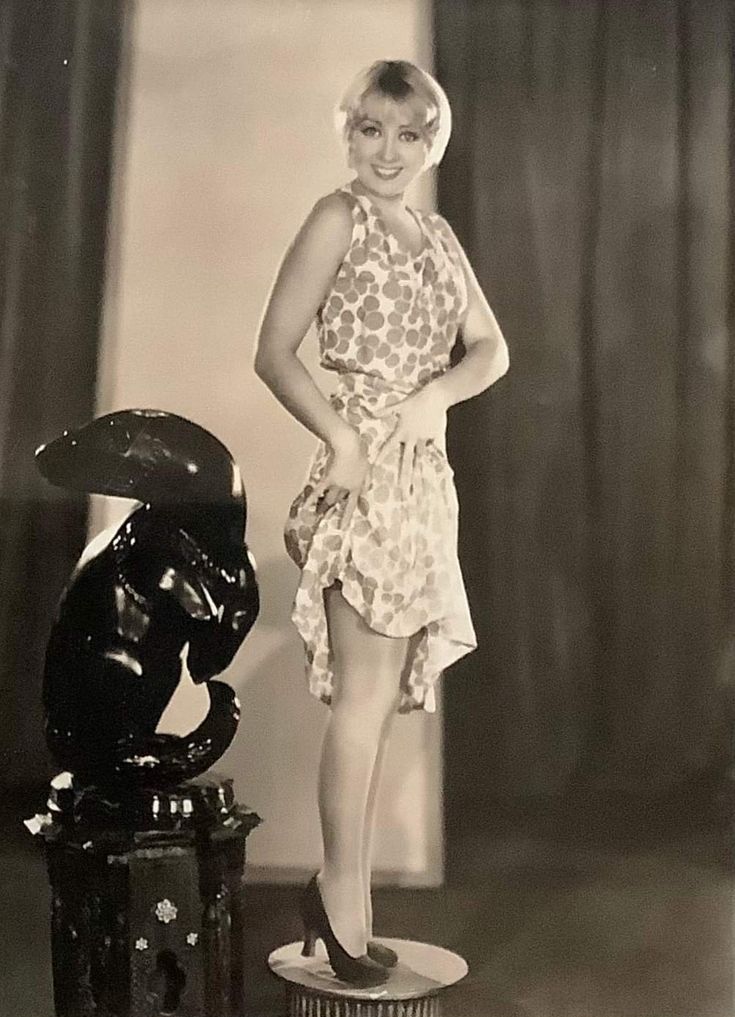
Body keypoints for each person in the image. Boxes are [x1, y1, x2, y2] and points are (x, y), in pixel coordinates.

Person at [254, 59, 509, 986]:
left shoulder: (437, 236)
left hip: (422, 485)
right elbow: (273, 350)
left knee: (381, 711)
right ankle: (341, 905)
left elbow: (492, 348)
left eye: (409, 134)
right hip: (360, 478)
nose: (388, 151)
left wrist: (435, 396)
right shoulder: (336, 218)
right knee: (361, 705)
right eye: (370, 130)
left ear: (433, 142)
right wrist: (341, 436)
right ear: (347, 132)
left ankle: (342, 896)